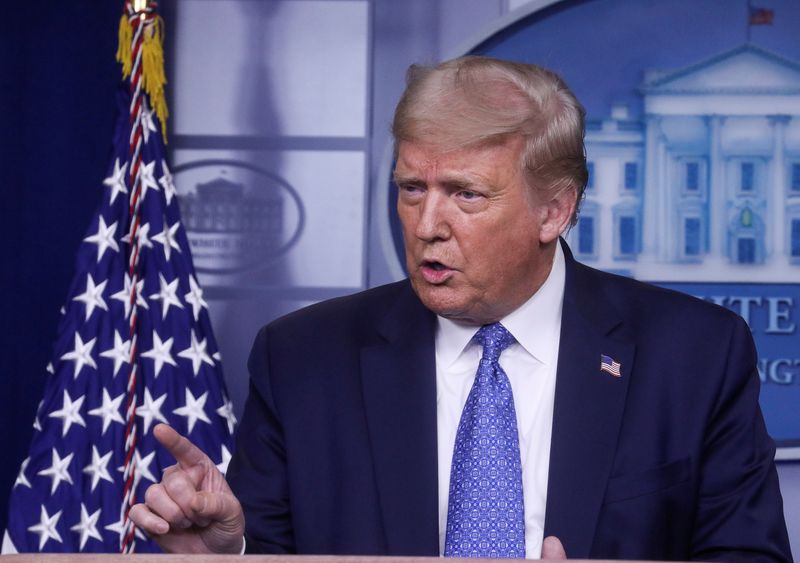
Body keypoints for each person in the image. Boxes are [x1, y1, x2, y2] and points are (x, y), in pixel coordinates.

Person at [130, 56, 792, 561]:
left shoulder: (694, 354)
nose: (427, 224)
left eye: (466, 195)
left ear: (554, 210)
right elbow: (275, 552)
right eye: (412, 188)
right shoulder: (304, 359)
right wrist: (228, 556)